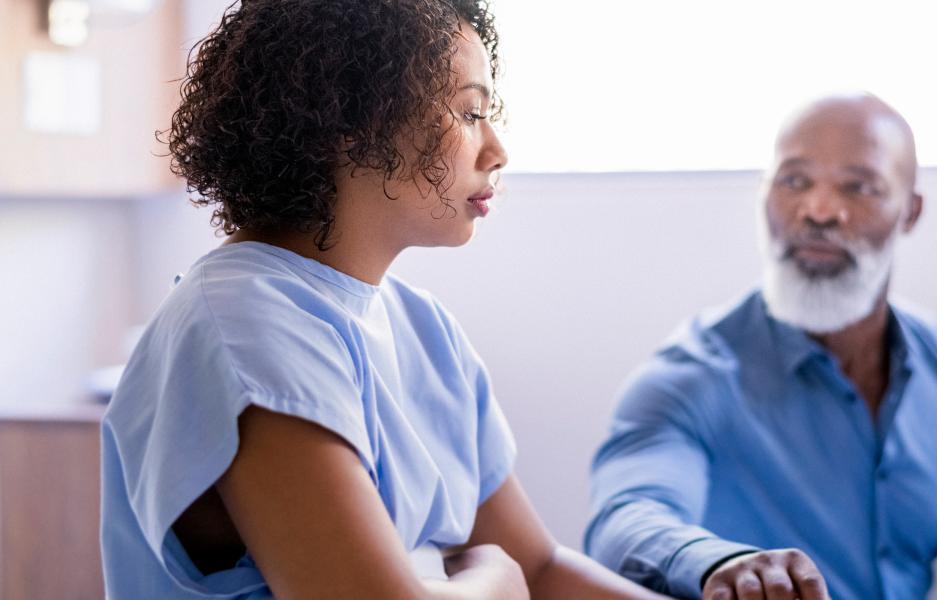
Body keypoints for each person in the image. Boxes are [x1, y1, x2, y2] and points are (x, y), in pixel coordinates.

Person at [100, 1, 667, 598]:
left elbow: (544, 571)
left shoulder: (426, 329)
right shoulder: (242, 321)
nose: (497, 150)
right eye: (470, 112)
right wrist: (496, 582)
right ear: (352, 115)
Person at [585, 93, 937, 600]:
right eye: (794, 181)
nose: (818, 211)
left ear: (910, 211)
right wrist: (720, 564)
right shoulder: (689, 379)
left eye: (859, 187)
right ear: (763, 195)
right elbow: (626, 520)